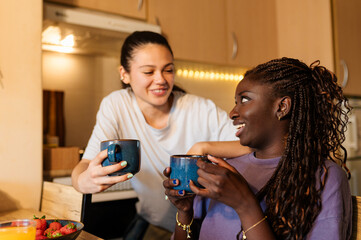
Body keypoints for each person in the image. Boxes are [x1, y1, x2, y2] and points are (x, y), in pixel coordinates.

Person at [71, 31, 250, 239]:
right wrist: (83, 182)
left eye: (168, 70)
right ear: (124, 74)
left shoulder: (200, 109)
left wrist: (203, 147)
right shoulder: (116, 105)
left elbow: (252, 143)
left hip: (203, 227)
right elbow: (84, 166)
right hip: (155, 225)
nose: (161, 80)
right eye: (148, 72)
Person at [164, 57, 352, 240]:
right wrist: (185, 211)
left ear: (282, 107)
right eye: (236, 101)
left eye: (244, 100)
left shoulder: (325, 177)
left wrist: (245, 205)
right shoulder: (224, 171)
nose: (232, 113)